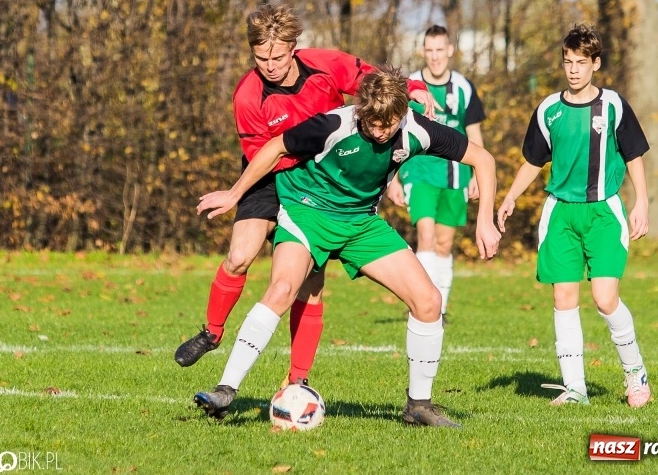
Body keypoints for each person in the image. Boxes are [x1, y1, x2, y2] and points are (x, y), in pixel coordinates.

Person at [193, 66, 501, 427]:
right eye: (372, 123)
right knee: (281, 289)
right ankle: (225, 390)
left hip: (360, 223)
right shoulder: (335, 124)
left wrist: (485, 220)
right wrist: (235, 193)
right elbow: (276, 147)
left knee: (429, 301)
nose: (380, 131)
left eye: (388, 124)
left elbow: (484, 159)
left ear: (402, 114)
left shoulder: (416, 130)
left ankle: (419, 406)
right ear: (361, 112)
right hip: (308, 212)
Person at [174, 4, 436, 389]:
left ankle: (297, 382)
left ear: (294, 47)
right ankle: (213, 332)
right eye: (261, 58)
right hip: (270, 173)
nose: (270, 65)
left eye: (277, 56)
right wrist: (238, 193)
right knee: (239, 256)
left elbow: (376, 81)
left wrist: (414, 87)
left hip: (323, 184)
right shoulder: (248, 95)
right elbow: (263, 155)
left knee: (309, 287)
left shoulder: (326, 65)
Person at [497, 24, 652, 408]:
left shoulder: (614, 105)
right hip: (560, 214)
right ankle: (575, 389)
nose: (573, 70)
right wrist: (511, 196)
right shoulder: (548, 110)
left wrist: (642, 202)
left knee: (604, 298)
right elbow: (533, 160)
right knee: (564, 298)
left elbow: (633, 155)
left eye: (581, 63)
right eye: (568, 62)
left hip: (603, 212)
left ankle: (636, 374)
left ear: (595, 64)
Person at [385, 25, 486, 324]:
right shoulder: (411, 85)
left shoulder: (464, 88)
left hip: (454, 175)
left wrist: (478, 175)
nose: (435, 56)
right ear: (423, 52)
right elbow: (393, 132)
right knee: (425, 237)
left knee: (444, 244)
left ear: (450, 50)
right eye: (429, 50)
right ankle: (423, 303)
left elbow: (474, 133)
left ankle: (438, 307)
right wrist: (394, 178)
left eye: (440, 50)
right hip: (419, 171)